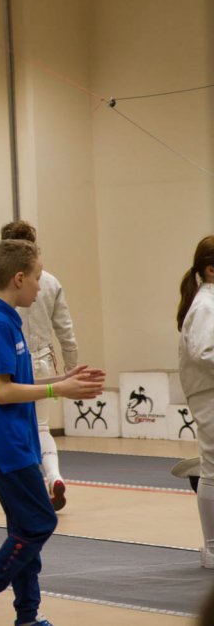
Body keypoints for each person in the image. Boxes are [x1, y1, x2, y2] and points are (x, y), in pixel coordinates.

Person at [0, 238, 104, 626]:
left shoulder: (7, 321)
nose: (41, 285)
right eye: (37, 277)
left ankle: (27, 615)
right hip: (5, 444)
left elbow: (18, 381)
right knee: (40, 523)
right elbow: (2, 392)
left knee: (23, 528)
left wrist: (62, 380)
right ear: (19, 279)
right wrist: (58, 391)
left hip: (16, 439)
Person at [0, 220, 78, 510]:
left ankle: (33, 488)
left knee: (17, 429)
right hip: (42, 362)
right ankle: (54, 476)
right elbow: (65, 329)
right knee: (41, 427)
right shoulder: (51, 280)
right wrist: (70, 368)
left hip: (10, 364)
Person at [176, 235, 214, 569]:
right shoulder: (204, 306)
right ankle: (213, 549)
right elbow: (205, 353)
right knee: (212, 469)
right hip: (208, 394)